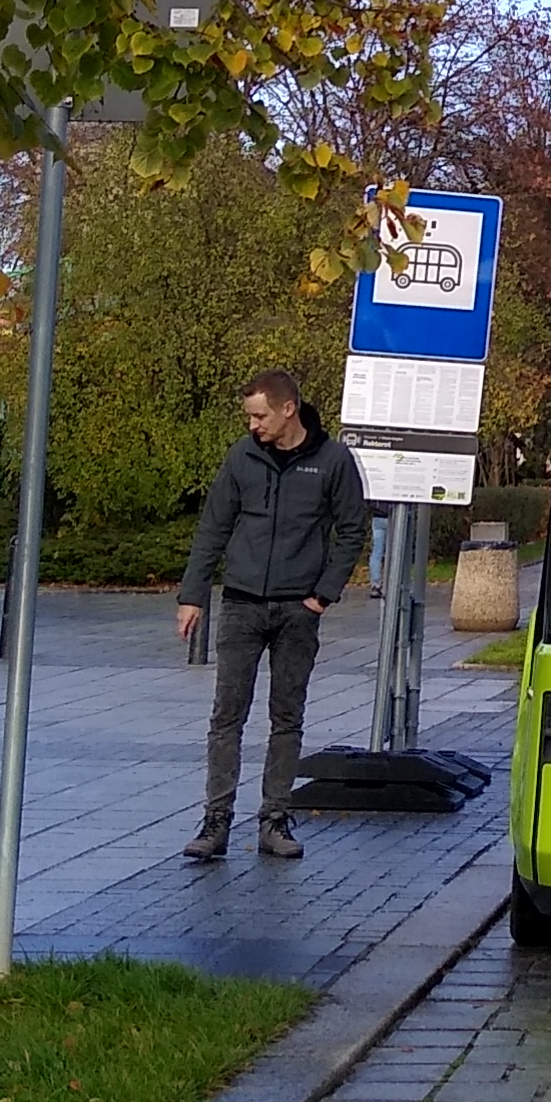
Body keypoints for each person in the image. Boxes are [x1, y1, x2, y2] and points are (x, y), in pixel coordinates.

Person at [175, 367, 370, 862]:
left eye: (259, 415)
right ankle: (216, 821)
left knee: (287, 718)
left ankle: (274, 820)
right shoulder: (243, 457)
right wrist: (193, 594)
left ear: (289, 409)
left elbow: (352, 530)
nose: (253, 425)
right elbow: (213, 527)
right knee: (227, 717)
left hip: (297, 610)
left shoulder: (332, 460)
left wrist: (322, 596)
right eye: (249, 416)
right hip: (242, 603)